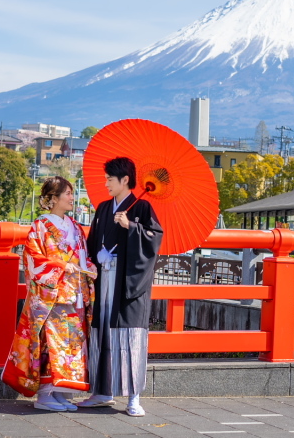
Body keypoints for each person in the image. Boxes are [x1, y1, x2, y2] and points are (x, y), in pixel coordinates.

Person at [2, 176, 98, 411]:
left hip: (75, 292)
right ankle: (44, 395)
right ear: (53, 198)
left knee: (70, 345)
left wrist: (90, 267)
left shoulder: (75, 226)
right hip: (52, 295)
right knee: (49, 343)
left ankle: (59, 390)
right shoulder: (41, 225)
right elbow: (34, 259)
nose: (72, 198)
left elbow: (82, 256)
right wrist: (61, 266)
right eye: (68, 193)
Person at [78, 157, 163, 417]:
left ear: (125, 180)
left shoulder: (143, 208)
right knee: (102, 332)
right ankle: (102, 392)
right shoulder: (104, 208)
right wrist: (97, 257)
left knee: (129, 337)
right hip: (104, 278)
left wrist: (132, 226)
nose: (106, 184)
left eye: (109, 179)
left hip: (128, 285)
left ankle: (134, 397)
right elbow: (93, 241)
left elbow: (154, 240)